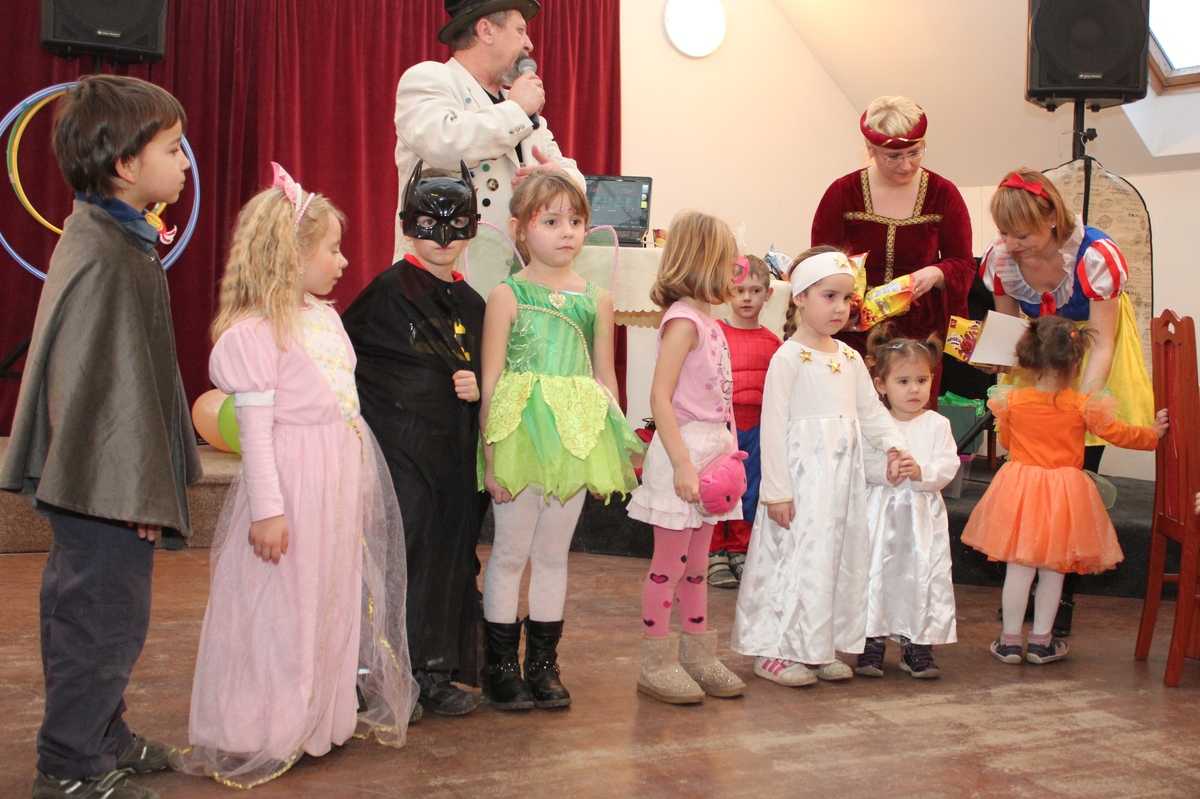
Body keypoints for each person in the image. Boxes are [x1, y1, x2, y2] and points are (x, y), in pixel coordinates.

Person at [175, 165, 417, 787]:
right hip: (294, 483)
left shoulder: (324, 317)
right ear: (291, 255)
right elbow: (256, 433)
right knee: (285, 603)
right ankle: (266, 724)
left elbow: (345, 410)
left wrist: (358, 480)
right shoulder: (256, 333)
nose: (343, 261)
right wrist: (268, 510)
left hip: (335, 476)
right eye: (331, 249)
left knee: (330, 595)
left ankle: (318, 720)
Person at [0, 75, 200, 799]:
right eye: (172, 149)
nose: (184, 163)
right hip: (103, 485)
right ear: (124, 164)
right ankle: (70, 763)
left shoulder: (116, 236)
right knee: (97, 620)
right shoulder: (106, 253)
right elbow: (99, 388)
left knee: (108, 612)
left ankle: (103, 735)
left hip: (107, 479)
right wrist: (130, 486)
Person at [478, 170, 643, 710]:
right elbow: (492, 381)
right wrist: (491, 457)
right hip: (519, 437)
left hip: (574, 439)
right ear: (521, 230)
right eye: (550, 221)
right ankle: (501, 667)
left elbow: (605, 381)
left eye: (575, 221)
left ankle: (544, 665)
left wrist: (606, 453)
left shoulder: (596, 300)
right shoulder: (506, 295)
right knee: (509, 553)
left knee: (553, 555)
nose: (566, 231)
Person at [980, 167, 1156, 636]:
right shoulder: (1002, 259)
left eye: (1022, 235)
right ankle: (1020, 595)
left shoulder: (1095, 256)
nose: (1011, 244)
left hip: (1092, 356)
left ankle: (1060, 603)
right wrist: (1001, 365)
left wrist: (1085, 400)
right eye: (1004, 233)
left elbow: (1103, 340)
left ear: (1053, 218)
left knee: (1076, 482)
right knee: (1028, 479)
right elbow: (1009, 328)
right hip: (1040, 358)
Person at [342, 161, 488, 717]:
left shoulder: (474, 304)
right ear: (408, 225)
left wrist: (478, 385)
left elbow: (493, 369)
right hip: (400, 455)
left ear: (472, 228)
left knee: (447, 559)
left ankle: (433, 671)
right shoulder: (385, 293)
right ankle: (378, 675)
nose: (443, 237)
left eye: (456, 225)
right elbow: (345, 365)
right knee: (399, 555)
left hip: (452, 459)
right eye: (430, 225)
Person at [731, 247, 906, 688]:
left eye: (846, 298)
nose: (840, 307)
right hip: (799, 484)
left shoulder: (849, 358)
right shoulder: (789, 357)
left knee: (830, 562)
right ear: (800, 298)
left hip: (839, 487)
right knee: (791, 561)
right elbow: (773, 427)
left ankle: (816, 646)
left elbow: (872, 413)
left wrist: (895, 447)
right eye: (829, 296)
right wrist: (776, 490)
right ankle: (773, 650)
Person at [962, 316, 1166, 665]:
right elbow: (1119, 434)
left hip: (1020, 492)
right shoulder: (1083, 405)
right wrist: (1153, 435)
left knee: (1018, 569)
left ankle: (1009, 642)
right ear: (1076, 362)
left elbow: (1007, 441)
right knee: (1054, 570)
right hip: (1064, 497)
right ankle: (1041, 642)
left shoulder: (1011, 401)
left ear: (1028, 359)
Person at [626, 210, 748, 705]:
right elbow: (660, 398)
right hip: (684, 452)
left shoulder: (709, 322)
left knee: (697, 566)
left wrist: (730, 456)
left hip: (712, 453)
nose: (735, 271)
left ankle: (699, 654)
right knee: (668, 566)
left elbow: (721, 398)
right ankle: (656, 662)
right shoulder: (681, 322)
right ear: (702, 262)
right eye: (728, 261)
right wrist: (681, 464)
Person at [811, 95, 974, 403]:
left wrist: (934, 273)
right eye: (893, 156)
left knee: (911, 422)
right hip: (852, 333)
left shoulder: (943, 194)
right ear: (870, 150)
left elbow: (964, 265)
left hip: (919, 340)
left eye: (915, 152)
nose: (906, 165)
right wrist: (842, 309)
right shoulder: (842, 193)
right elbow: (818, 266)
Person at [393, 0, 584, 261]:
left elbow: (570, 172)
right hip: (446, 268)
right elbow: (445, 145)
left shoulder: (516, 105)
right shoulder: (429, 78)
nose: (528, 44)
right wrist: (517, 109)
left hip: (515, 270)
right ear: (486, 31)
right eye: (520, 30)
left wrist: (557, 178)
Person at [856, 325, 959, 680]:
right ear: (881, 385)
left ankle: (916, 644)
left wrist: (921, 472)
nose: (914, 389)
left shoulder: (937, 424)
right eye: (903, 381)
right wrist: (885, 472)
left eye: (922, 380)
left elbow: (947, 465)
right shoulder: (875, 424)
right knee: (876, 574)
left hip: (920, 520)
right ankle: (871, 641)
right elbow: (862, 462)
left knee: (920, 576)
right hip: (881, 514)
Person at [707, 255, 782, 589]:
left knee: (749, 489)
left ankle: (739, 549)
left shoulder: (773, 343)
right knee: (716, 487)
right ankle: (713, 551)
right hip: (720, 428)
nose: (747, 298)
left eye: (755, 290)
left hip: (756, 430)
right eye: (739, 291)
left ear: (768, 294)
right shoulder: (714, 333)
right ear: (727, 293)